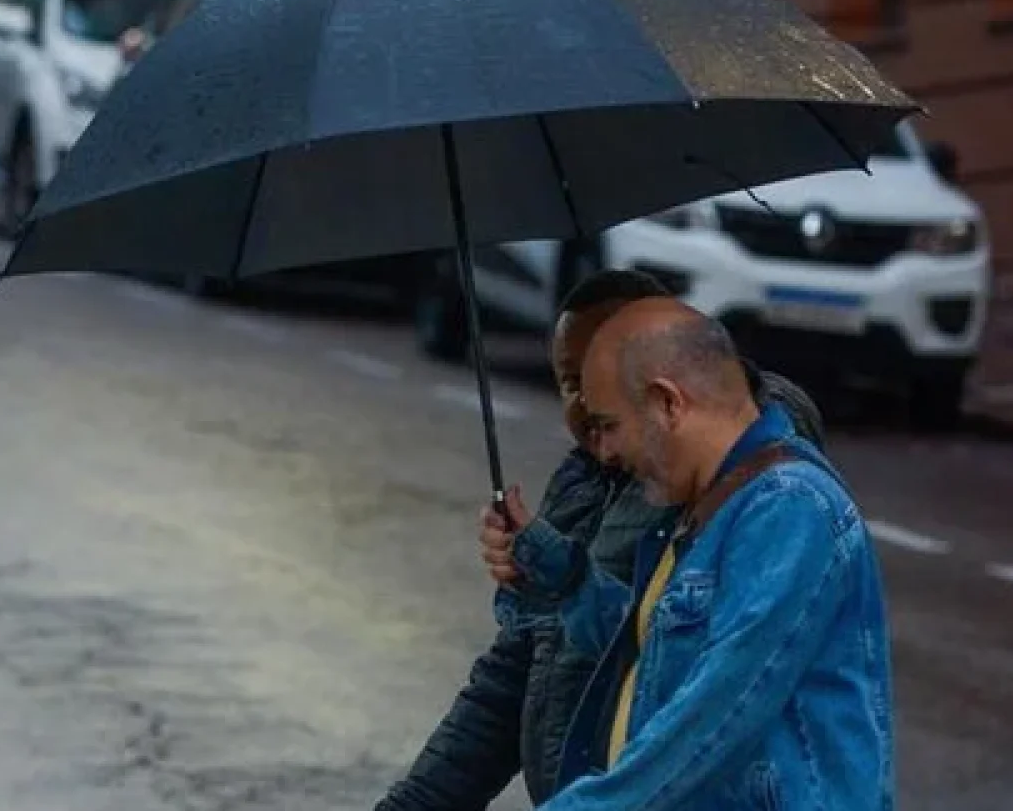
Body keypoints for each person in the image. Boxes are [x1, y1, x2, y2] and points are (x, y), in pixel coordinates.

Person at [375, 270, 827, 810]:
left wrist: (565, 578)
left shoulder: (753, 492)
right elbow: (512, 680)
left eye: (606, 378)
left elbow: (691, 685)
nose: (588, 406)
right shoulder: (586, 482)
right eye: (571, 383)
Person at [494, 297, 893, 810]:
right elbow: (656, 655)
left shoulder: (790, 509)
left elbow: (714, 713)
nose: (605, 451)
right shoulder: (708, 505)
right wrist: (559, 572)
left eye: (610, 426)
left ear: (667, 403)